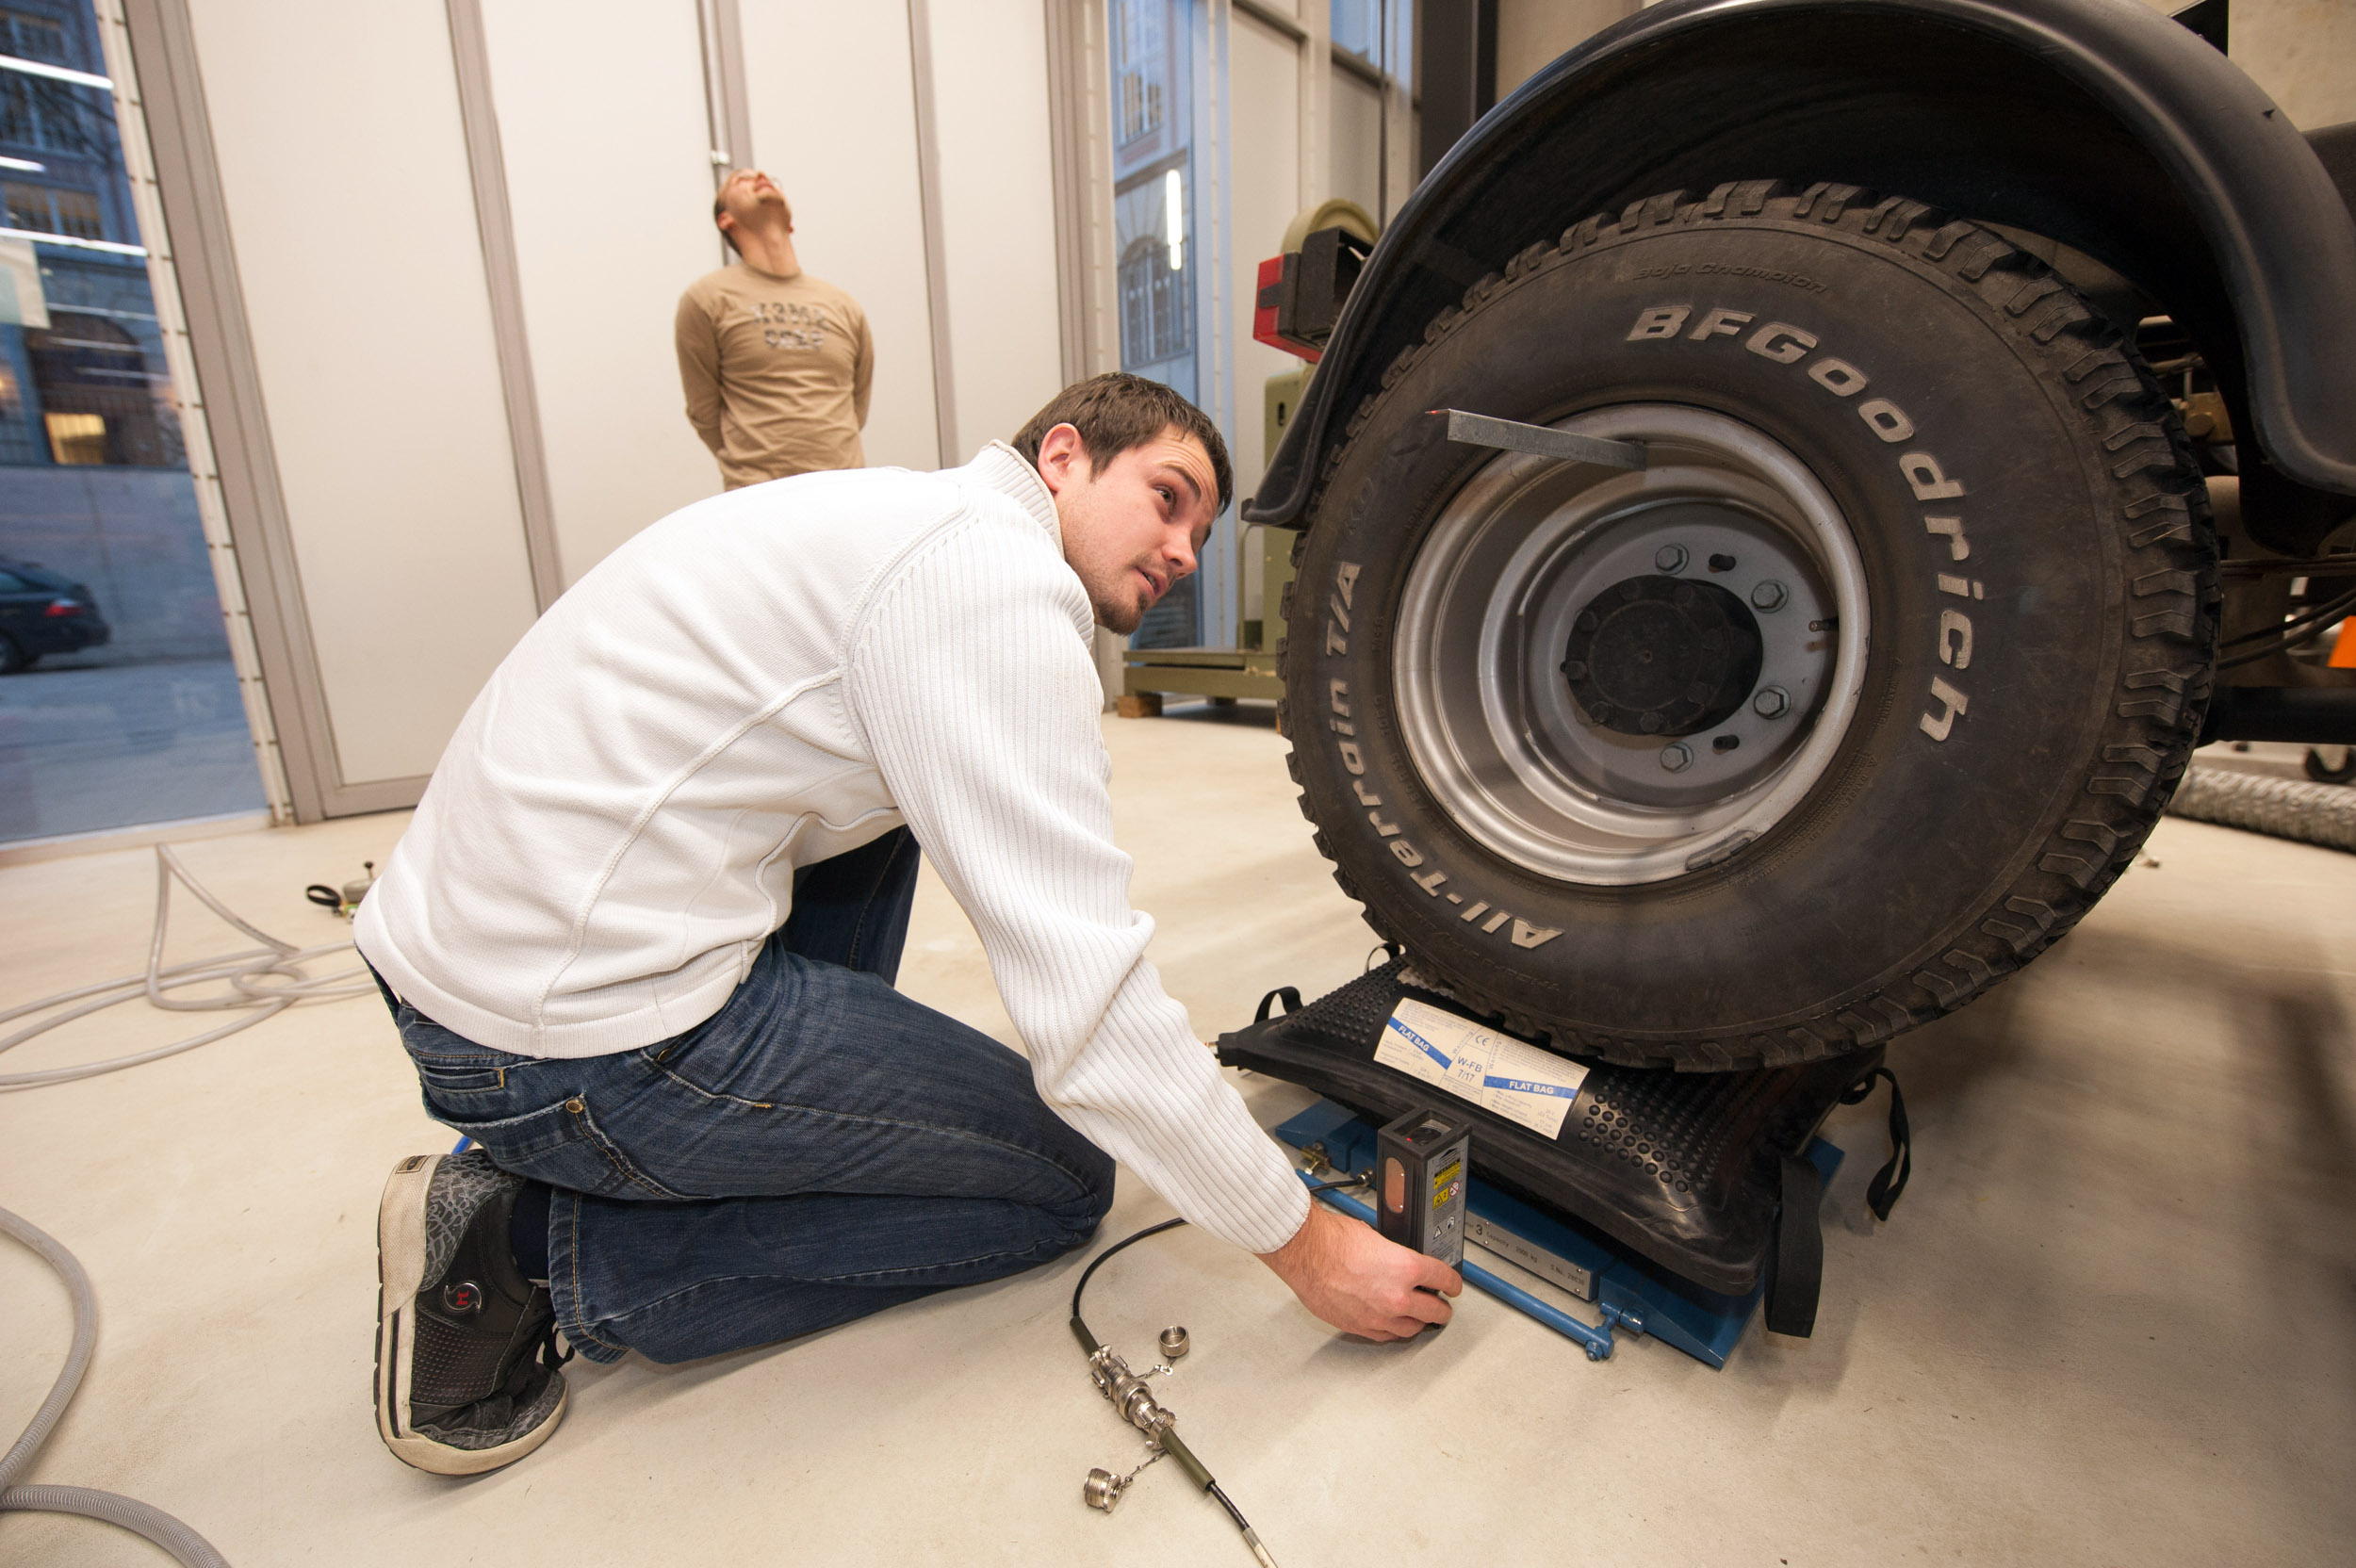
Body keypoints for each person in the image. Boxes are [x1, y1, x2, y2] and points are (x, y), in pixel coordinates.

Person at [355, 372, 1462, 1476]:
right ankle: (526, 1256)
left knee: (892, 805)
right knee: (1066, 1178)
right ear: (1062, 456)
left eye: (1202, 534)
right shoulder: (991, 587)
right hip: (558, 1043)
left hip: (479, 965)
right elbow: (1092, 1013)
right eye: (1168, 497)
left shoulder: (902, 521)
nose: (1182, 548)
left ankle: (711, 1146)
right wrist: (1305, 1243)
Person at [675, 169, 875, 489]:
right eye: (741, 180)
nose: (760, 176)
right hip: (758, 497)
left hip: (845, 492)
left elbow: (857, 408)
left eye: (767, 178)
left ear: (790, 223)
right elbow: (704, 412)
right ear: (725, 220)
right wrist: (756, 464)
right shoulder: (707, 299)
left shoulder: (843, 305)